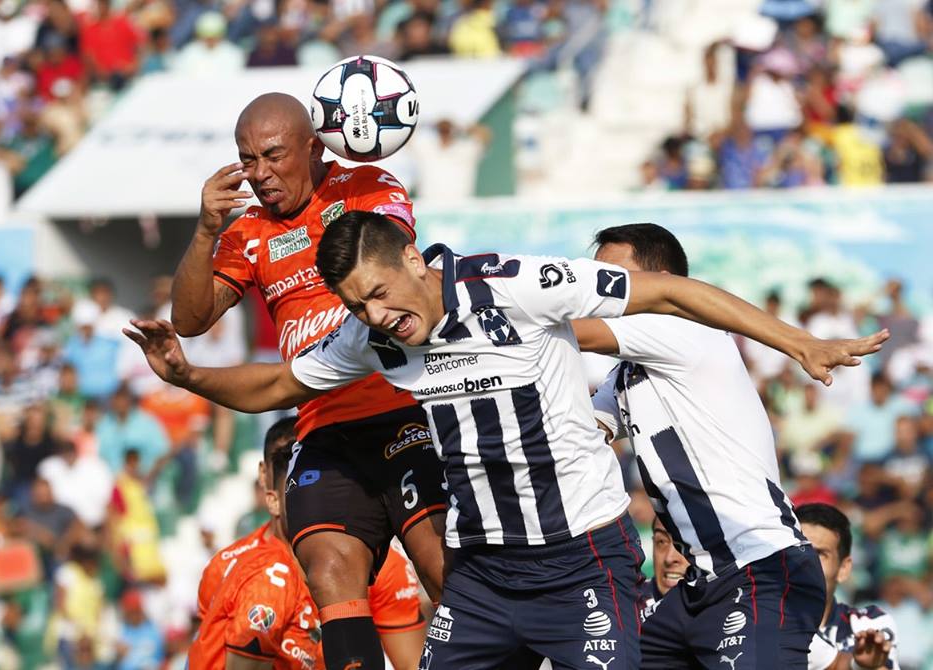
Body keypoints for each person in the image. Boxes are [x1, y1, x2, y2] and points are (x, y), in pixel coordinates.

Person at [127, 210, 887, 669]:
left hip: (583, 562)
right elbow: (281, 385)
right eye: (359, 308)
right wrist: (188, 374)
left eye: (383, 295)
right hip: (485, 576)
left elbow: (669, 291)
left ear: (417, 264)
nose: (379, 318)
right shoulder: (379, 340)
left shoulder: (518, 285)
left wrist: (800, 344)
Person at [170, 92, 446, 670]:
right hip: (320, 425)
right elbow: (189, 320)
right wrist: (204, 230)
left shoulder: (367, 186)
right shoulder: (247, 233)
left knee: (441, 565)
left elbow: (392, 258)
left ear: (315, 145)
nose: (260, 173)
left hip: (403, 410)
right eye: (247, 160)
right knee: (326, 570)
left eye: (272, 155)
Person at [585, 223, 830, 668]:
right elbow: (584, 431)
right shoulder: (625, 374)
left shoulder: (683, 330)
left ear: (663, 283)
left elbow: (567, 332)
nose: (596, 290)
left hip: (761, 569)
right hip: (703, 584)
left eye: (611, 278)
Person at [192, 417, 427, 669]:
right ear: (269, 489)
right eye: (299, 488)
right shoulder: (256, 575)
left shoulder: (384, 566)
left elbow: (412, 663)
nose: (309, 503)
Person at [796, 503, 900, 670]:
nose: (808, 563)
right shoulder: (753, 615)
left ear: (843, 569)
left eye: (820, 554)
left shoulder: (870, 624)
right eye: (799, 550)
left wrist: (863, 666)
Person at [638, 517, 690, 623]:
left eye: (685, 544)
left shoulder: (728, 606)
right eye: (661, 541)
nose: (669, 558)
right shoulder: (627, 607)